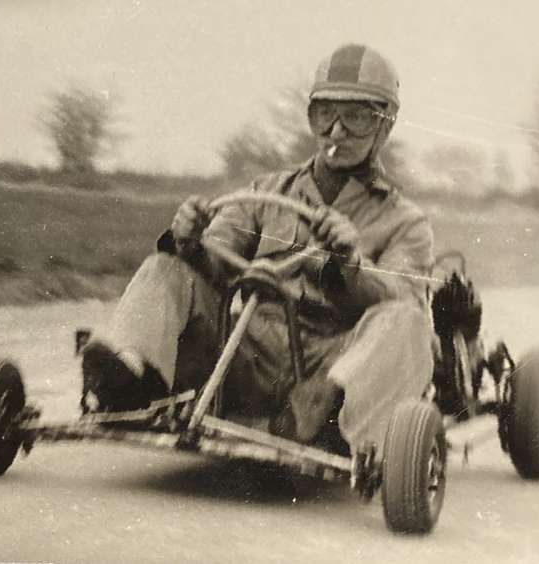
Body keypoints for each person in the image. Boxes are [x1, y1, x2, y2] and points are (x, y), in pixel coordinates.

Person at [80, 43, 435, 456]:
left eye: (356, 118)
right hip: (249, 350)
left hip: (335, 358)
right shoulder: (266, 192)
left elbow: (404, 303)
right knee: (167, 267)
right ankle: (127, 378)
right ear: (312, 118)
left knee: (407, 322)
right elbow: (216, 257)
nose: (336, 132)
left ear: (384, 126)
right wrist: (191, 242)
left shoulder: (405, 222)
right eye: (325, 114)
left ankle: (323, 410)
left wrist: (351, 264)